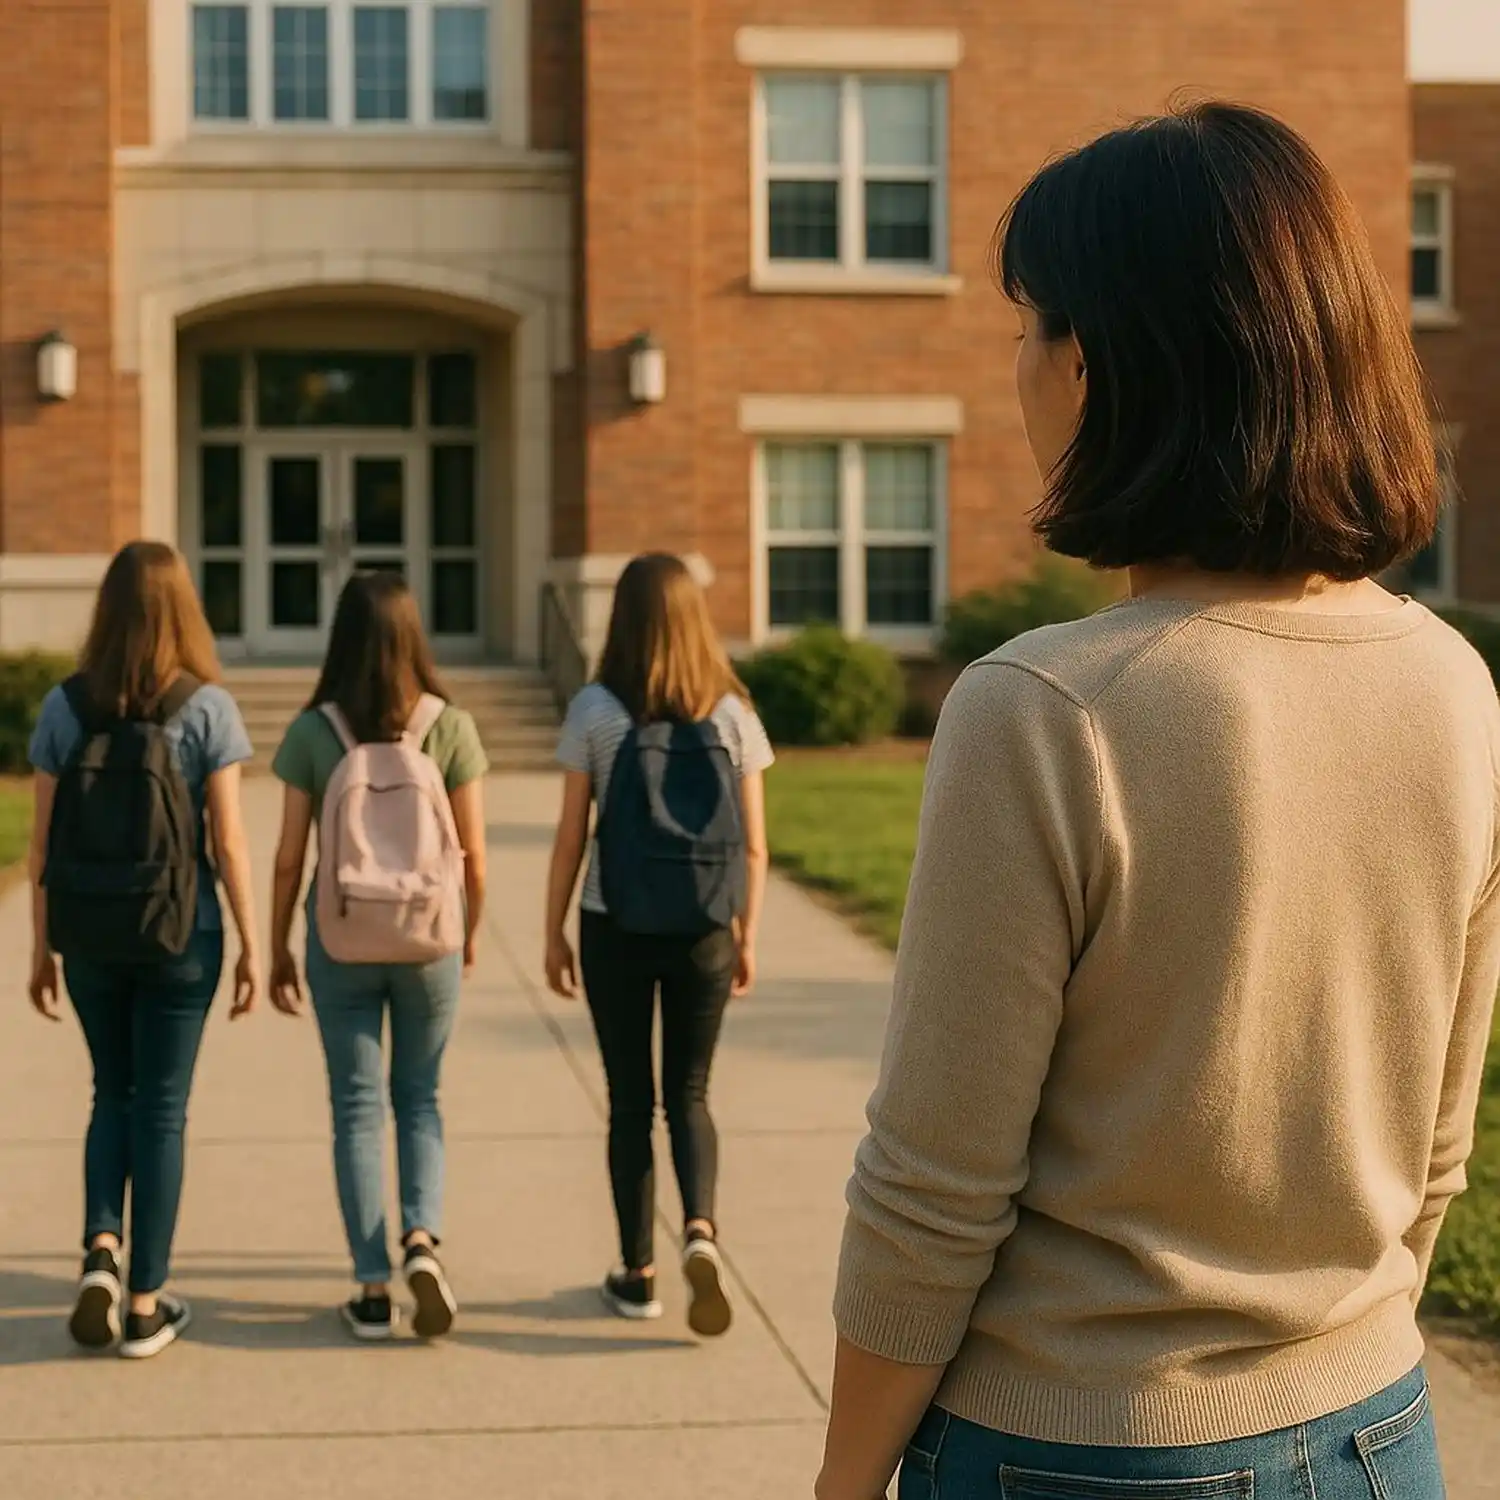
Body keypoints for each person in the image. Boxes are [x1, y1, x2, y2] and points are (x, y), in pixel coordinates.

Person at [817, 102, 1500, 1500]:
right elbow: (1438, 1148)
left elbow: (933, 1191)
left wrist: (842, 1481)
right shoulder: (1451, 681)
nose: (1020, 369)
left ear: (1095, 364)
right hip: (1378, 1427)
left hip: (1079, 1448)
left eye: (1029, 328)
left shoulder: (1041, 707)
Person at [26, 540, 259, 1360]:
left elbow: (41, 845)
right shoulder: (207, 708)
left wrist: (40, 949)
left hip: (90, 932)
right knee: (162, 1107)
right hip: (180, 933)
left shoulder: (65, 707)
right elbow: (228, 841)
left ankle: (101, 1247)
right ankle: (147, 1305)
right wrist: (253, 945)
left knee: (110, 1094)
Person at [545, 553, 773, 1335]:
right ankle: (701, 1229)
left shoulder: (597, 709)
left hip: (614, 922)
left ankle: (637, 1273)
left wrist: (553, 931)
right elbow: (755, 846)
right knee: (691, 1094)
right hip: (706, 926)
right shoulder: (733, 714)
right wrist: (746, 933)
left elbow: (571, 837)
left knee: (630, 1101)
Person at [267, 572, 488, 1341]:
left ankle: (370, 1288)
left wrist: (276, 947)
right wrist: (469, 932)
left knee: (356, 1107)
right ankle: (421, 1239)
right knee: (420, 1097)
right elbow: (475, 856)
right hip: (428, 937)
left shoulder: (313, 732)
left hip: (342, 936)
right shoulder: (448, 726)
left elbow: (288, 859)